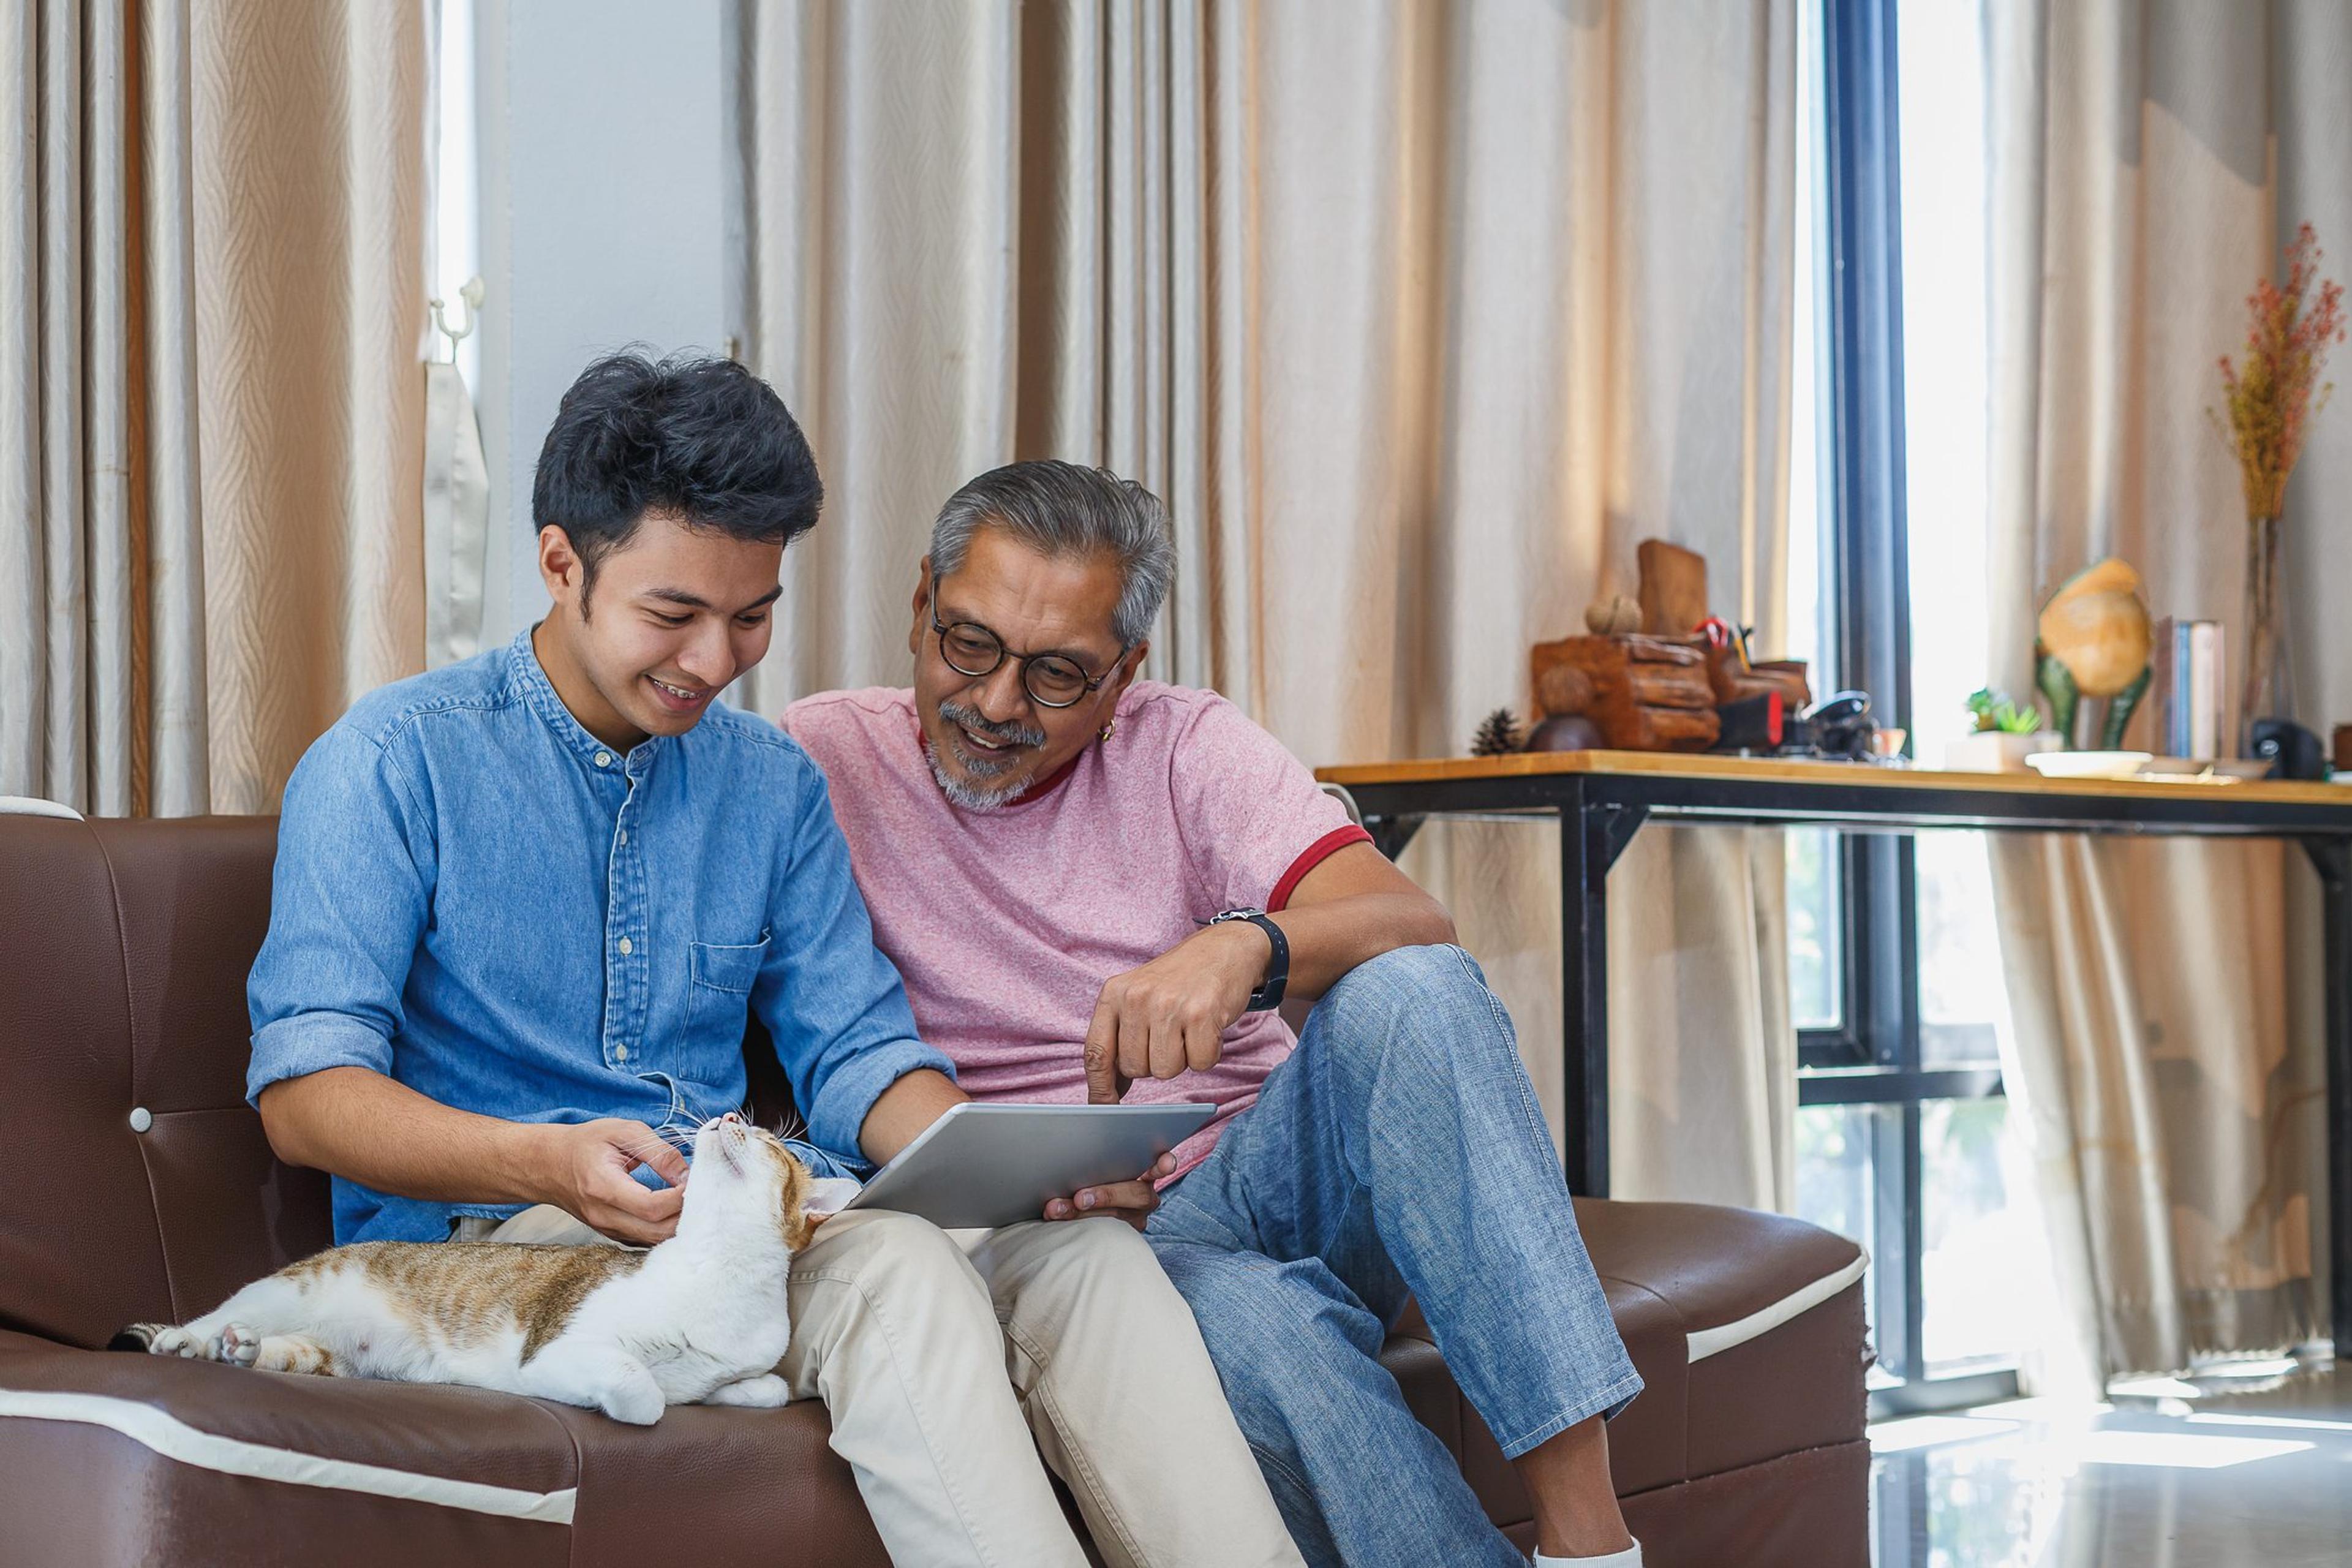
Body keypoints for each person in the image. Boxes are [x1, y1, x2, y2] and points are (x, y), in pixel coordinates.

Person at [246, 356, 1302, 1568]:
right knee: (894, 1271)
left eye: (750, 616)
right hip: (498, 1245)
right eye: (671, 614)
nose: (712, 658)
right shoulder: (389, 760)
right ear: (559, 565)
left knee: (1087, 1258)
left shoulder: (772, 784)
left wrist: (1005, 1166)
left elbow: (855, 1050)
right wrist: (540, 1155)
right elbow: (302, 1095)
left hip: (743, 1218)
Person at [785, 459, 1648, 1568]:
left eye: (1056, 674)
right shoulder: (821, 759)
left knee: (1415, 988)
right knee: (1251, 1328)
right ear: (921, 606)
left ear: (1124, 671)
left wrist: (1249, 942)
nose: (997, 703)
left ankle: (1594, 1544)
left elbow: (1412, 920)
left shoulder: (1188, 745)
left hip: (1269, 1177)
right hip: (1071, 1247)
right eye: (969, 645)